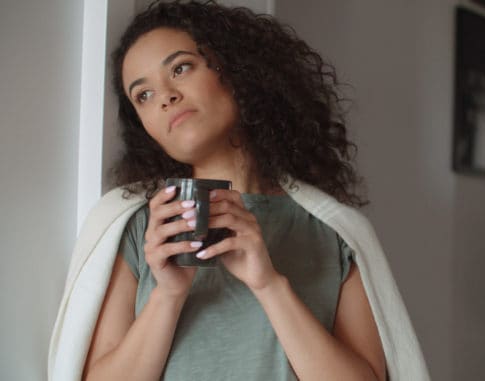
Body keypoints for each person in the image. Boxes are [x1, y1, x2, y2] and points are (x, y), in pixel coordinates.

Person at [48, 1, 429, 380]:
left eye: (181, 68)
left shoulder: (333, 232)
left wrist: (268, 284)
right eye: (143, 95)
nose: (165, 96)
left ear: (236, 70)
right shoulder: (134, 227)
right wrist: (167, 294)